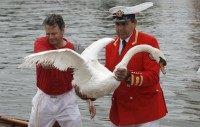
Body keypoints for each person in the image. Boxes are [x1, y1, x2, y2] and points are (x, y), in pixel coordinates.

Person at [75, 2, 167, 127]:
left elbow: (153, 76)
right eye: (117, 24)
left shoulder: (149, 42)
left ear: (134, 23)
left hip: (145, 109)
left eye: (124, 24)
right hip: (122, 109)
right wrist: (90, 95)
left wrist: (129, 76)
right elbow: (107, 77)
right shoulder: (111, 46)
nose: (120, 28)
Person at [28, 14, 83, 127]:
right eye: (48, 34)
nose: (51, 37)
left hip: (66, 99)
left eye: (54, 33)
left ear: (63, 30)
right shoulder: (40, 42)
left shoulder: (72, 48)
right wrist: (47, 63)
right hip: (44, 98)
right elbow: (44, 62)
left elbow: (81, 76)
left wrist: (89, 101)